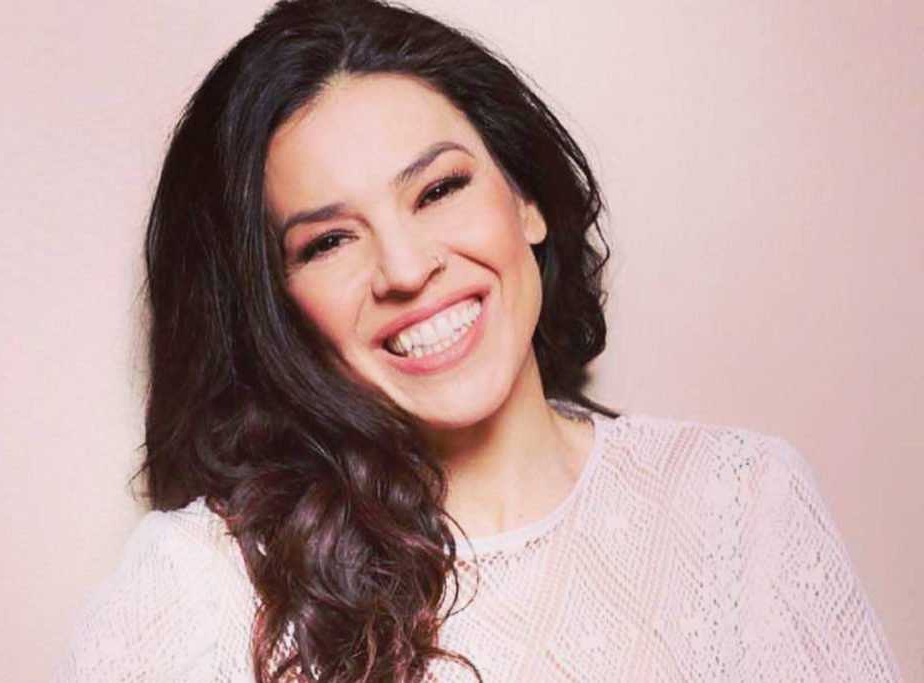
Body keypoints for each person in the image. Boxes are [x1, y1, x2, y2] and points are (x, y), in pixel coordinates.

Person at [55, 0, 901, 680]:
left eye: (438, 190)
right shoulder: (204, 585)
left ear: (525, 199)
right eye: (329, 241)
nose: (406, 267)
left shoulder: (740, 504)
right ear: (278, 308)